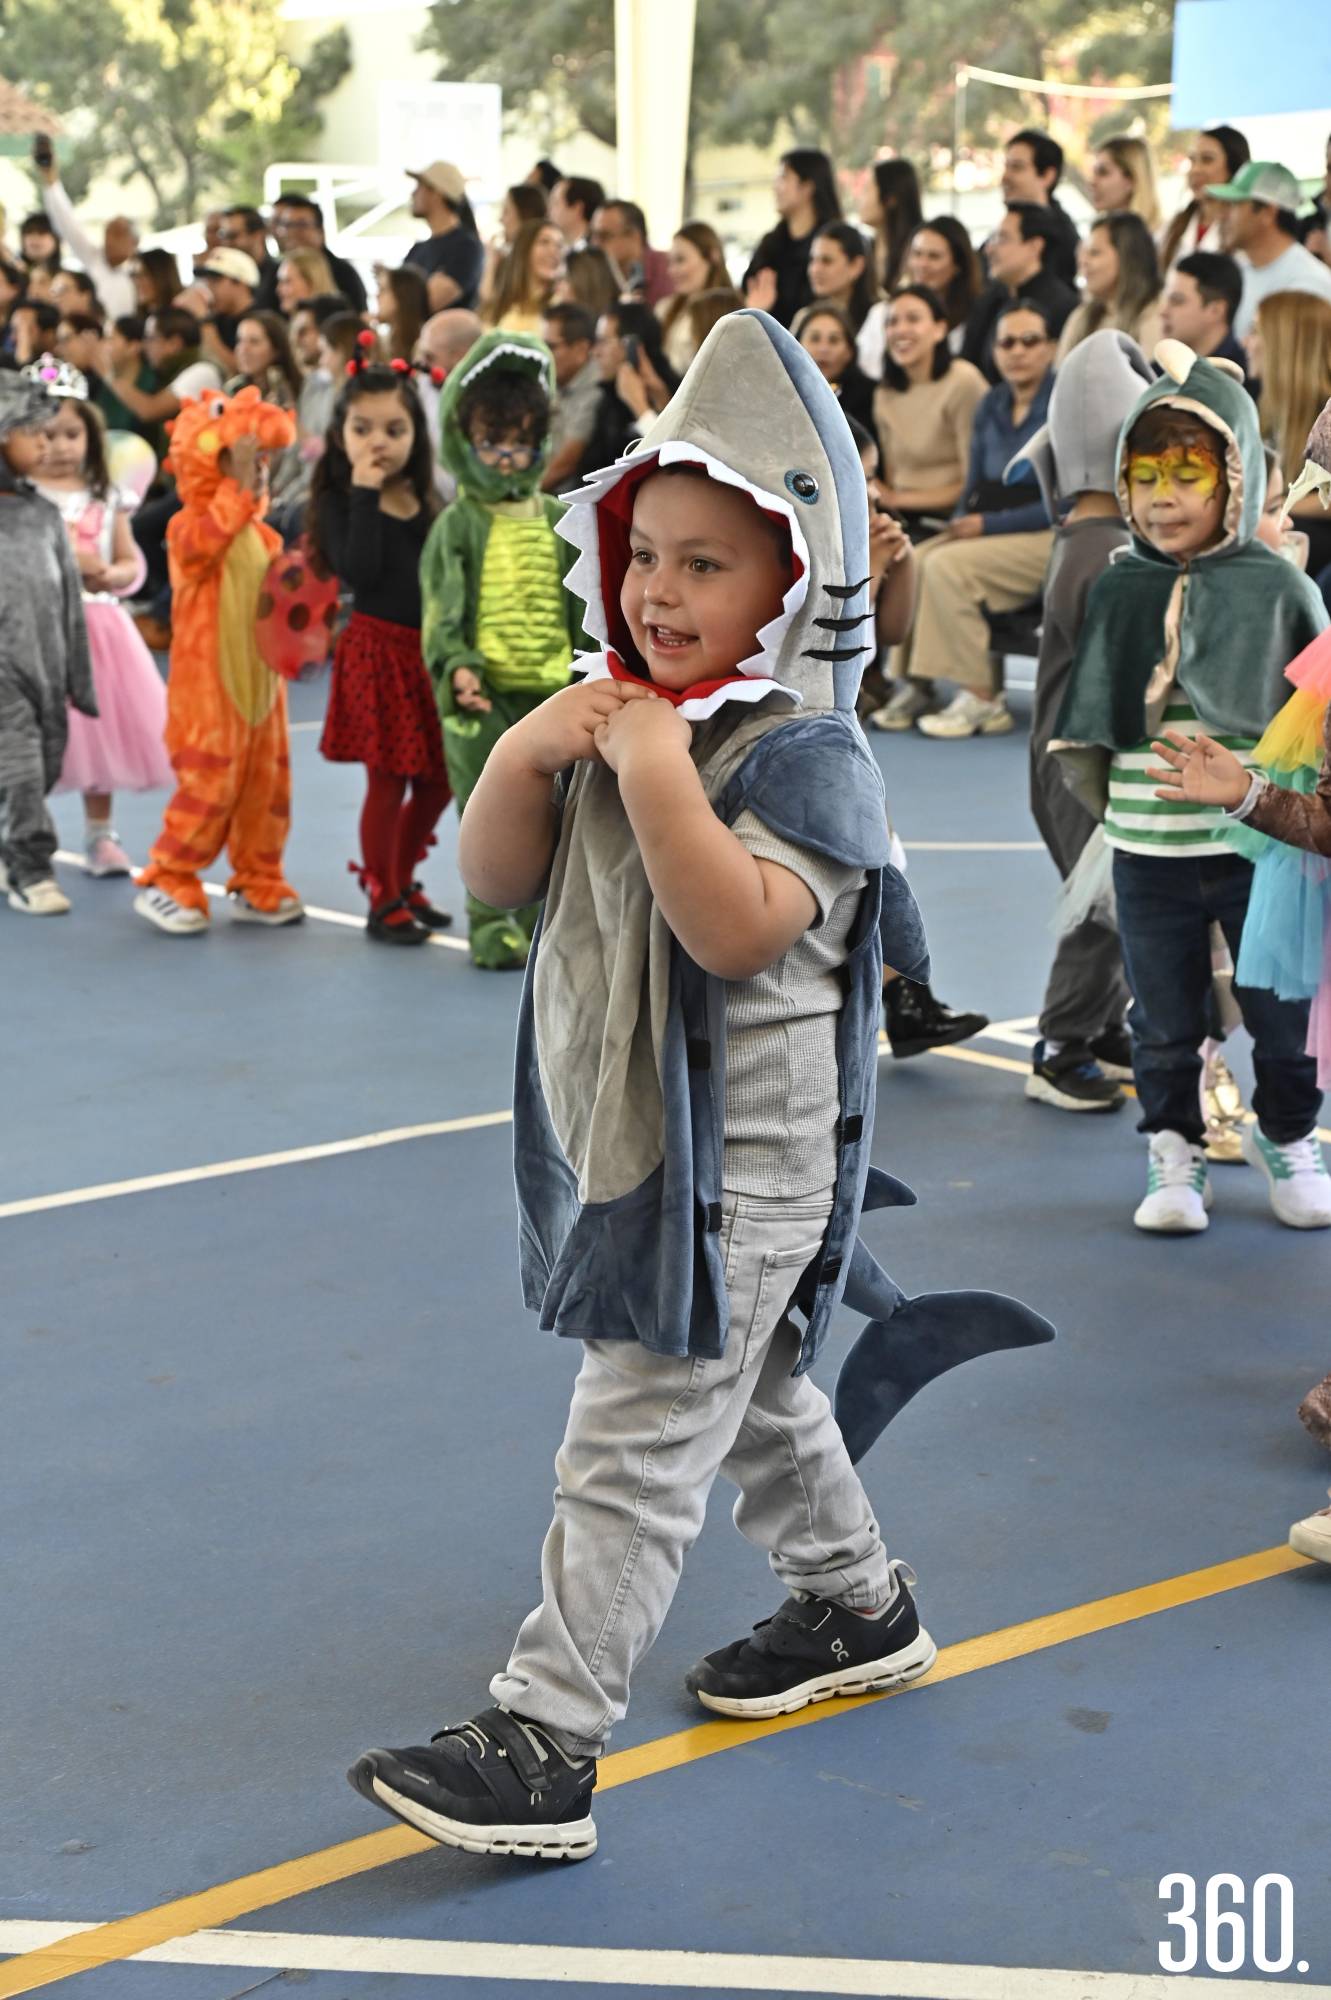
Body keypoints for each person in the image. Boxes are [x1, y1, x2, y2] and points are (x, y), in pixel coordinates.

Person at [348, 308, 1053, 1861]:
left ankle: (546, 1732)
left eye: (704, 565)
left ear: (792, 585)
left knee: (638, 1431)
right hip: (644, 1143)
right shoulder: (620, 714)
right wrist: (530, 758)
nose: (659, 592)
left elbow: (733, 931)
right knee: (757, 1402)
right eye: (643, 554)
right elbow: (499, 880)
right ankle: (854, 1608)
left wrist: (658, 772)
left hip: (751, 1166)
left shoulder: (805, 761)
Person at [1050, 343, 1330, 1231]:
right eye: (1144, 474)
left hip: (1258, 847)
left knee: (1280, 1015)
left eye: (1188, 472)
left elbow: (1314, 711)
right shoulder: (1120, 586)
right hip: (1147, 850)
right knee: (1163, 1017)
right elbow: (1091, 718)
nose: (1162, 495)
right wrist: (1111, 814)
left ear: (1234, 479)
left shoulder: (1277, 585)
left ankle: (1288, 1135)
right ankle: (1171, 1151)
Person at [1014, 330, 1154, 1111]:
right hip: (1078, 763)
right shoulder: (1101, 554)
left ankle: (1100, 1024)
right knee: (1102, 903)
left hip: (1079, 758)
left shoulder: (1092, 539)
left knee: (1117, 890)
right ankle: (1060, 1041)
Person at [419, 331, 585, 967]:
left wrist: (591, 668)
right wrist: (457, 664)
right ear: (464, 440)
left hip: (553, 696)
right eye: (493, 441)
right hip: (482, 698)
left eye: (522, 440)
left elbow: (582, 608)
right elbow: (443, 610)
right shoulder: (456, 525)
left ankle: (550, 914)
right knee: (486, 810)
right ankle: (491, 920)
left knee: (560, 809)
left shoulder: (557, 519)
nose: (509, 457)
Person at [133, 386, 303, 934]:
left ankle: (259, 876)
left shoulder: (261, 532)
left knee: (266, 788)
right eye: (248, 461)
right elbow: (205, 543)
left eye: (262, 463)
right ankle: (169, 874)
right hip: (210, 696)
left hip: (261, 691)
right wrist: (235, 484)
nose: (258, 473)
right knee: (210, 784)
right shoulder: (188, 526)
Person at [849, 412, 991, 1055]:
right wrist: (869, 569)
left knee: (883, 856)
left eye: (876, 478)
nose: (872, 492)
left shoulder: (860, 530)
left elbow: (892, 633)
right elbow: (836, 646)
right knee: (871, 859)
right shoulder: (787, 542)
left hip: (839, 723)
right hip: (801, 722)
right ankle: (898, 997)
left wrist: (897, 564)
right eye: (861, 476)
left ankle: (904, 996)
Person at [312, 347, 451, 944]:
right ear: (339, 432)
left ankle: (402, 874)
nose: (378, 442)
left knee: (441, 777)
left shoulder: (428, 500)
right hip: (377, 655)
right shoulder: (343, 502)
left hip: (426, 656)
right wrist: (365, 492)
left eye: (394, 429)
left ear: (416, 434)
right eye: (362, 428)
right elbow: (360, 572)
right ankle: (382, 892)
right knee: (389, 780)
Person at [883, 298, 1055, 740]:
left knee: (949, 568)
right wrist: (961, 524)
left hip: (1047, 532)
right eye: (1006, 342)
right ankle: (917, 684)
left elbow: (1064, 501)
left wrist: (985, 527)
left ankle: (982, 698)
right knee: (914, 557)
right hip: (989, 524)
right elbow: (974, 485)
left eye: (1029, 341)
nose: (1016, 351)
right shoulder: (993, 402)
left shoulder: (1061, 404)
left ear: (1051, 348)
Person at [30, 363, 172, 876]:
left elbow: (133, 563)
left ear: (92, 437)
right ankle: (24, 829)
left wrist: (115, 574)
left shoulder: (107, 499)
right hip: (36, 631)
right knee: (32, 736)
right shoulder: (21, 502)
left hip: (100, 635)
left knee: (100, 730)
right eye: (47, 435)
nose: (62, 446)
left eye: (73, 434)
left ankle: (100, 833)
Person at [0, 370, 95, 918]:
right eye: (30, 430)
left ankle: (10, 844)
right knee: (21, 767)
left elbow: (68, 602)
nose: (43, 441)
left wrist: (76, 679)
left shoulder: (41, 515)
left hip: (45, 670)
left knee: (44, 761)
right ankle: (31, 867)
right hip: (3, 677)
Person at [871, 284, 987, 544]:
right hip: (900, 517)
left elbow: (974, 482)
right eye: (892, 322)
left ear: (939, 329)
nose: (900, 330)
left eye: (913, 319)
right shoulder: (885, 393)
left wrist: (897, 499)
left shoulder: (963, 381)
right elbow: (893, 477)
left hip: (950, 519)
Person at [1249, 291, 1331, 576]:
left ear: (1284, 345)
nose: (1247, 343)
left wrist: (1281, 508)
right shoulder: (1264, 406)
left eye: (1256, 332)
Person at [1207, 160, 1331, 339]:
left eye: (1235, 205)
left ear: (1267, 212)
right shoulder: (1240, 269)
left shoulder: (1307, 284)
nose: (1222, 216)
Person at [963, 203, 1078, 381]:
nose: (989, 249)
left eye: (1002, 239)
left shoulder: (1063, 306)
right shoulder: (988, 300)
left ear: (1035, 246)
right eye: (991, 239)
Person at [579, 303, 682, 477]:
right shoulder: (609, 398)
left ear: (631, 346)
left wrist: (641, 409)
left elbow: (674, 467)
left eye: (603, 341)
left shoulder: (677, 393)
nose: (595, 352)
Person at [36, 145, 137, 321]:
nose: (109, 241)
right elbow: (67, 222)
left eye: (117, 235)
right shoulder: (93, 257)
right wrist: (50, 177)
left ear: (134, 242)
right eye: (107, 233)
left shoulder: (140, 276)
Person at [743, 148, 842, 328]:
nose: (775, 187)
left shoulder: (834, 242)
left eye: (783, 178)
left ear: (807, 187)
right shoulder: (770, 245)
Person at [1056, 212, 1163, 364]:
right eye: (1083, 254)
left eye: (1094, 253)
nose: (1083, 262)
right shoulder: (1081, 316)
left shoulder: (1158, 312)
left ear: (1128, 256)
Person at [412, 306, 485, 494]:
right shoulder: (423, 387)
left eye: (430, 357)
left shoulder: (496, 404)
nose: (421, 363)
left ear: (462, 357)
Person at [1159, 125, 1251, 268]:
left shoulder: (1247, 231)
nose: (1195, 170)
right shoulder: (1174, 225)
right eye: (1192, 160)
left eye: (1207, 160)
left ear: (1235, 167)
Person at [259, 194, 366, 314]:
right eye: (287, 225)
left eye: (301, 225)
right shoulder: (277, 272)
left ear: (321, 231)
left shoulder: (343, 273)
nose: (292, 232)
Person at [1000, 130, 1080, 286]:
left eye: (1017, 167)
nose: (1005, 177)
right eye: (1006, 166)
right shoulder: (1010, 223)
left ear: (1047, 176)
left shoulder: (1061, 236)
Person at [404, 161, 485, 314]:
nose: (413, 193)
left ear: (436, 193)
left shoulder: (466, 247)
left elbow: (423, 305)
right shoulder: (417, 249)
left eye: (419, 187)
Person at [1158, 251, 1250, 379]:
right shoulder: (1157, 371)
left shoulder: (1246, 381)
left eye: (1177, 301)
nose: (1163, 312)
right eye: (1167, 300)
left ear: (1215, 311)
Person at [539, 301, 600, 492]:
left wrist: (517, 501)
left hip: (568, 504)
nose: (543, 354)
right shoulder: (553, 378)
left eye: (551, 346)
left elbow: (564, 466)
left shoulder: (597, 391)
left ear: (581, 349)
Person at [657, 221, 732, 375]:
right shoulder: (665, 308)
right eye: (670, 262)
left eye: (680, 260)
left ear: (712, 256)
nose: (672, 271)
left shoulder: (731, 312)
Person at [792, 222, 878, 338]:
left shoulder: (879, 315)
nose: (815, 269)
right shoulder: (804, 316)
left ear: (856, 266)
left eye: (826, 261)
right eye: (812, 260)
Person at [184, 246, 259, 378]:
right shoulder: (220, 318)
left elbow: (241, 369)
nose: (209, 288)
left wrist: (204, 321)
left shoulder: (260, 320)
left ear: (240, 282)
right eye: (207, 281)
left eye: (215, 281)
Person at [797, 303, 875, 429]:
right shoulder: (783, 392)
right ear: (797, 345)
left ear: (849, 352)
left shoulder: (870, 398)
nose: (823, 349)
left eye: (834, 340)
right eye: (815, 339)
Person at [484, 219, 564, 332]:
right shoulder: (500, 304)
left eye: (559, 246)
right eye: (544, 242)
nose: (554, 252)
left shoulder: (560, 306)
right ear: (524, 250)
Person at [590, 200, 673, 307]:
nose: (595, 243)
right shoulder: (600, 272)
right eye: (593, 235)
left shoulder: (667, 271)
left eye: (604, 235)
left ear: (634, 236)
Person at [860, 157, 923, 295]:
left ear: (890, 199)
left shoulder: (919, 252)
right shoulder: (865, 249)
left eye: (867, 190)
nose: (860, 199)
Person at [1088, 135, 1162, 235]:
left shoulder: (1161, 239)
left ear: (1132, 180)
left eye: (1103, 172)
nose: (1092, 182)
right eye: (1094, 172)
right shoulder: (1101, 234)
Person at [217, 207, 279, 307]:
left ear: (257, 235)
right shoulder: (222, 278)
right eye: (223, 235)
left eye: (233, 236)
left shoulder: (279, 276)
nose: (227, 243)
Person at [374, 262, 429, 365]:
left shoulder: (423, 344)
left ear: (402, 296)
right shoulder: (387, 340)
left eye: (383, 290)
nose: (377, 295)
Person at [275, 248, 339, 318]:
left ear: (311, 282)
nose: (278, 289)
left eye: (287, 282)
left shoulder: (336, 326)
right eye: (279, 281)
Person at [548, 175, 605, 252]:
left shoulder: (595, 253)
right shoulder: (559, 251)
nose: (549, 209)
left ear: (577, 209)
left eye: (555, 202)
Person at [130, 248, 182, 318]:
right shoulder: (139, 319)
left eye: (144, 275)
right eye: (135, 275)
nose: (137, 282)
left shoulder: (181, 318)